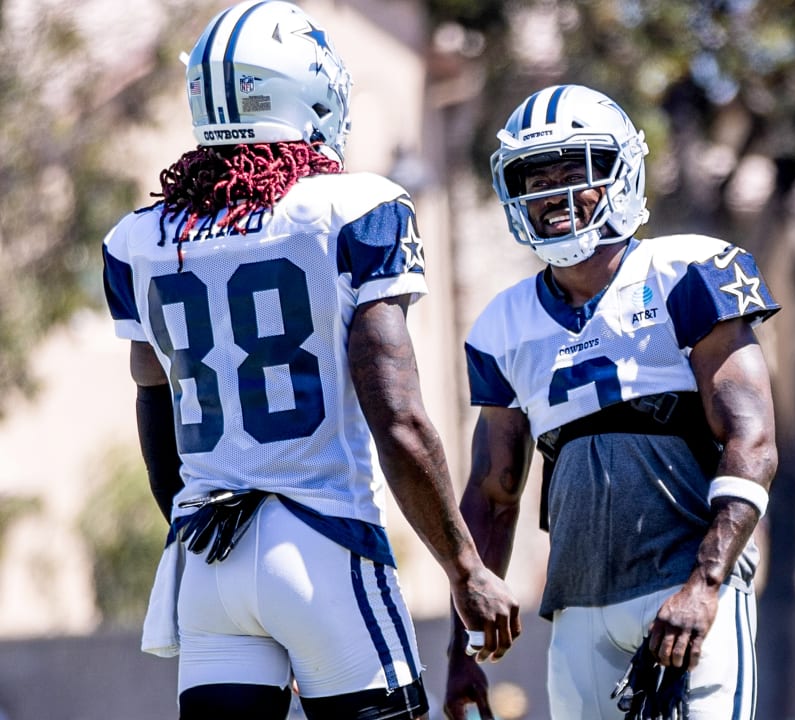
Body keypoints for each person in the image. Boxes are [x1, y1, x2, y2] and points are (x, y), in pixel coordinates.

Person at [100, 2, 520, 718]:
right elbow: (399, 418)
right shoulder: (352, 208)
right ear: (307, 90)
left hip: (208, 560)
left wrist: (192, 519)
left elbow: (155, 410)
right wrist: (465, 568)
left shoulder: (137, 238)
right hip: (324, 541)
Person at [442, 84, 780, 720]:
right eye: (536, 176)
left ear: (622, 174)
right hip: (577, 608)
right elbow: (493, 494)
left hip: (682, 589)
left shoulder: (686, 271)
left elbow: (753, 443)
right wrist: (463, 652)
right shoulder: (501, 325)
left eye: (577, 170)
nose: (553, 192)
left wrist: (706, 585)